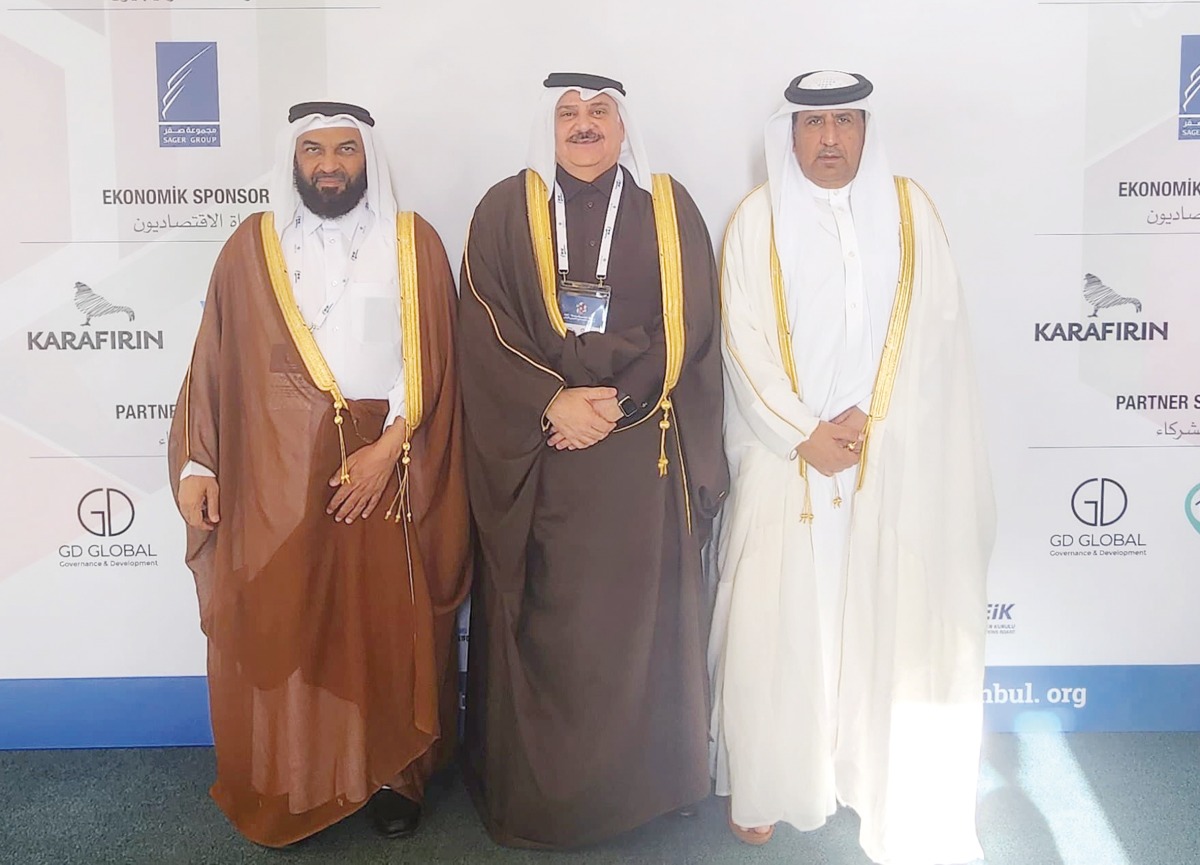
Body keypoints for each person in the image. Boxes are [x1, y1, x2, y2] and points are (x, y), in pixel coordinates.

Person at [709, 71, 995, 864]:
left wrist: (874, 417)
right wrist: (803, 432)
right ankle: (770, 780)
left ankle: (876, 775)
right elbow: (743, 342)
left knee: (885, 613)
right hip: (787, 462)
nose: (828, 139)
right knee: (778, 622)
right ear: (788, 134)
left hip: (887, 455)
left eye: (843, 121)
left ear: (866, 131)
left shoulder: (910, 210)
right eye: (812, 123)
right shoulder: (756, 220)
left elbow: (937, 329)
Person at [167, 101, 470, 847]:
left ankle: (394, 773)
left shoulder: (412, 241)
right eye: (313, 151)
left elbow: (430, 356)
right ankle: (295, 774)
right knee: (290, 619)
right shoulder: (251, 246)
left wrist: (389, 449)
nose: (329, 164)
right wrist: (199, 462)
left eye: (343, 150)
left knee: (384, 621)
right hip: (275, 467)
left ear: (367, 159)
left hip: (385, 464)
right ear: (293, 161)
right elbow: (214, 357)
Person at [458, 72, 728, 849]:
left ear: (621, 125)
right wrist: (554, 401)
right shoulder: (504, 209)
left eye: (599, 112)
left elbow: (690, 322)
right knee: (550, 620)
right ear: (547, 127)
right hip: (542, 459)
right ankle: (545, 794)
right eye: (569, 114)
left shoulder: (669, 211)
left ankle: (653, 783)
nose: (584, 127)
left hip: (638, 461)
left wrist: (619, 403)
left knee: (642, 618)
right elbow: (483, 320)